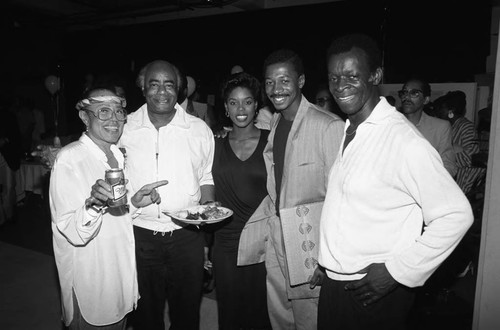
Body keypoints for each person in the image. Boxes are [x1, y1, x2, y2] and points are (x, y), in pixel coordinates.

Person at [318, 33, 474, 329]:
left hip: (371, 292)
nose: (340, 86)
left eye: (352, 76)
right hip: (336, 282)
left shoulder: (402, 140)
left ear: (376, 75)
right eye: (334, 77)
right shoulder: (352, 128)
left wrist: (397, 272)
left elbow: (456, 215)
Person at [237, 49, 345, 330]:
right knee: (280, 313)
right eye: (270, 82)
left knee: (309, 316)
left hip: (307, 239)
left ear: (301, 81)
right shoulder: (275, 121)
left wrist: (326, 258)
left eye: (284, 80)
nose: (276, 89)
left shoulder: (328, 125)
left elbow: (341, 198)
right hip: (276, 234)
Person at [50, 87, 167, 329]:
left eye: (118, 112)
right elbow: (72, 232)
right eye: (103, 112)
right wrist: (94, 204)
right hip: (92, 282)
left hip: (119, 277)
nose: (113, 119)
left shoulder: (116, 155)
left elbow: (116, 217)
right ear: (85, 117)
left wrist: (134, 202)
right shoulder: (70, 159)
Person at [123, 60, 215, 330]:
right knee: (144, 315)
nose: (162, 92)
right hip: (139, 234)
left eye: (169, 85)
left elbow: (206, 176)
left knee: (186, 314)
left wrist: (209, 210)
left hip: (187, 236)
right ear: (142, 87)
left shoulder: (198, 129)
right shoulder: (125, 129)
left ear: (179, 89)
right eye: (154, 84)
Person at [211, 71, 272, 329]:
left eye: (247, 101)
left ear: (256, 105)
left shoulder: (271, 142)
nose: (241, 108)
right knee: (230, 313)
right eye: (233, 102)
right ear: (225, 107)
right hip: (225, 243)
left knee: (261, 313)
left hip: (263, 242)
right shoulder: (214, 144)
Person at [398, 78, 457, 177]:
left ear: (426, 100)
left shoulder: (440, 127)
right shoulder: (391, 124)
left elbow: (449, 165)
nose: (407, 97)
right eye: (404, 93)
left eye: (414, 93)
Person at [434, 91, 485, 195]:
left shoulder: (466, 127)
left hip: (465, 183)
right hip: (454, 183)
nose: (439, 112)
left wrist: (447, 154)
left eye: (442, 109)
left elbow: (471, 157)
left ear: (450, 111)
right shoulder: (449, 126)